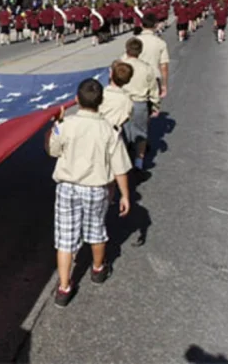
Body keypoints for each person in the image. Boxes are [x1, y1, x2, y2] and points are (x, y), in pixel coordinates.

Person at [44, 79, 132, 308]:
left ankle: (64, 287)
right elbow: (119, 167)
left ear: (77, 99)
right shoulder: (109, 130)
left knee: (65, 238)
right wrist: (125, 195)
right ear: (100, 101)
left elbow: (52, 150)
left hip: (67, 187)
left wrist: (54, 126)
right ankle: (98, 269)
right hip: (96, 189)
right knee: (96, 230)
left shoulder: (66, 125)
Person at [121, 38, 161, 172]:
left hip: (122, 102)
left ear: (127, 49)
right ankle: (139, 162)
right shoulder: (147, 68)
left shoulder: (120, 65)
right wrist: (155, 105)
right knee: (141, 133)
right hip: (140, 102)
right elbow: (153, 89)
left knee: (122, 133)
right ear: (140, 51)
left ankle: (123, 162)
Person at [134, 14, 170, 99]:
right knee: (154, 102)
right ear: (156, 25)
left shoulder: (134, 41)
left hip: (137, 78)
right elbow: (164, 66)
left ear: (141, 25)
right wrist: (164, 85)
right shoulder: (160, 43)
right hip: (154, 77)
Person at [99, 61, 134, 130]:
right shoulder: (127, 100)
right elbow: (127, 117)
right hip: (115, 130)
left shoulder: (101, 94)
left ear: (111, 74)